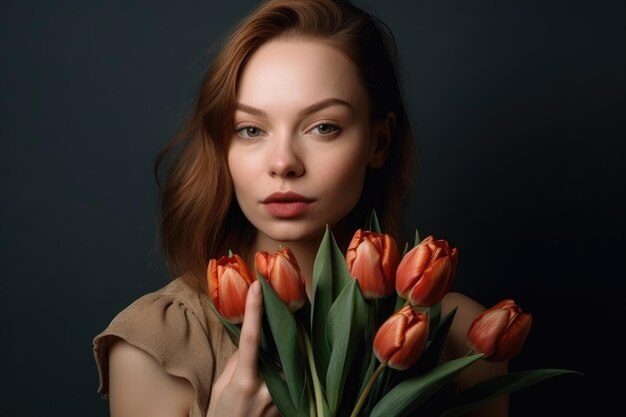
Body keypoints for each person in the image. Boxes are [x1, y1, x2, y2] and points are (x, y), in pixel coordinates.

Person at [93, 1, 508, 416]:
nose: (283, 162)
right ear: (224, 146)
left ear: (378, 142)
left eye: (323, 127)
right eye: (251, 129)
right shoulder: (157, 345)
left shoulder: (460, 337)